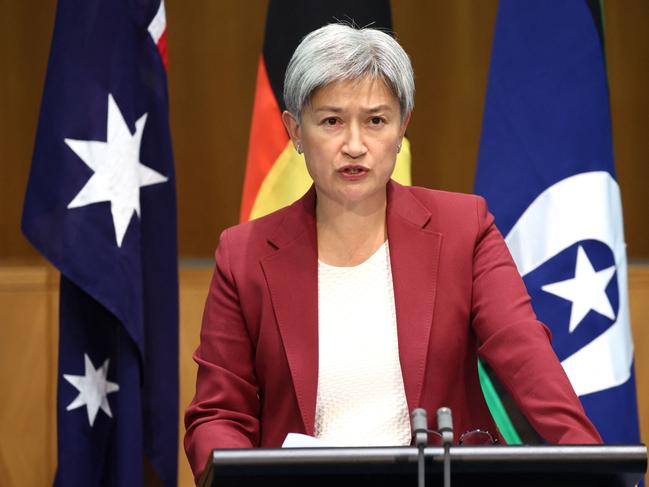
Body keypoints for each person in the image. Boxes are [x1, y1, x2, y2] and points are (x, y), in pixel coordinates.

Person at [184, 23, 602, 479]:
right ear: (294, 131)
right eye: (331, 121)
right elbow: (218, 415)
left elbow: (527, 362)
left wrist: (595, 467)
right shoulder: (244, 255)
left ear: (402, 127)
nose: (355, 145)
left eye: (376, 120)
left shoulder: (465, 230)